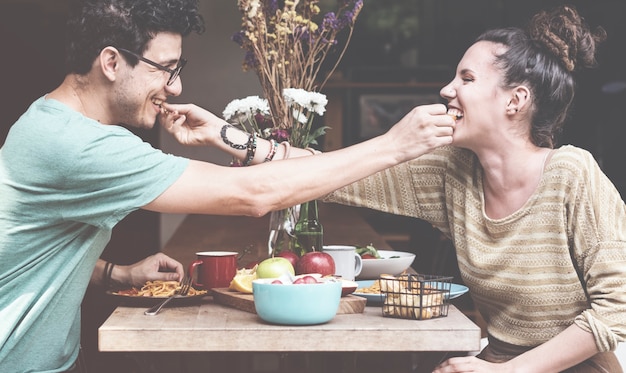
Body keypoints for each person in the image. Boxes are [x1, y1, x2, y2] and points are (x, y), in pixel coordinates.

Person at [0, 0, 455, 371]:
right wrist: (393, 146)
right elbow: (251, 195)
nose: (175, 88)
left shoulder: (54, 123)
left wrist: (113, 274)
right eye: (166, 68)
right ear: (112, 62)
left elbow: (31, 241)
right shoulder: (79, 145)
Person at [321, 5, 626, 373]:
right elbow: (339, 178)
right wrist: (258, 150)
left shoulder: (572, 174)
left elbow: (618, 308)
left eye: (466, 79)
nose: (447, 89)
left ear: (515, 100)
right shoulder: (454, 170)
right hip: (495, 360)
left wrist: (506, 372)